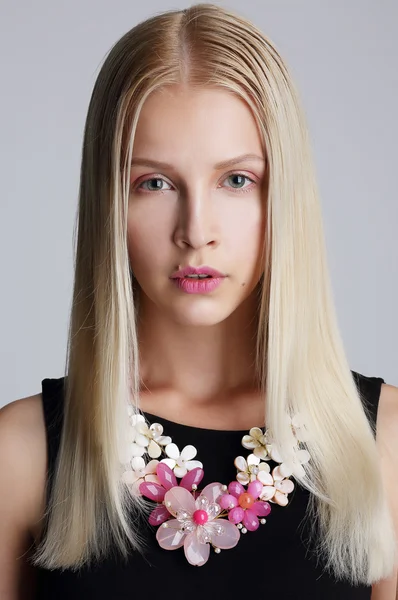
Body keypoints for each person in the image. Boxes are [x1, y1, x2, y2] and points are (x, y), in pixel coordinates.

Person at [0, 3, 397, 599]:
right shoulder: (23, 454)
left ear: (283, 196)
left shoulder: (383, 445)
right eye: (153, 183)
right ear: (109, 202)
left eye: (237, 180)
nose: (196, 230)